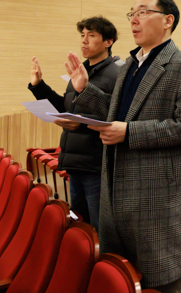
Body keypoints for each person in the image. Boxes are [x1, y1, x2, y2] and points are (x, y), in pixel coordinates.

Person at [65, 0, 181, 292]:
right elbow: (118, 114)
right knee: (122, 274)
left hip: (155, 195)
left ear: (167, 20)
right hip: (116, 187)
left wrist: (129, 133)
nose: (133, 20)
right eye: (132, 13)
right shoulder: (131, 65)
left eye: (143, 12)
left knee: (162, 279)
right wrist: (85, 90)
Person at [28, 16, 120, 232]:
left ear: (108, 42)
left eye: (91, 35)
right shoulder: (80, 71)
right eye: (82, 35)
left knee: (98, 229)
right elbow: (66, 107)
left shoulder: (117, 74)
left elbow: (116, 117)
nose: (84, 41)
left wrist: (80, 124)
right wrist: (39, 86)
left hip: (97, 165)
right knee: (79, 225)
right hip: (75, 162)